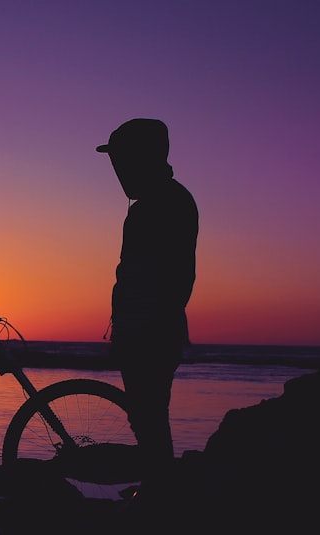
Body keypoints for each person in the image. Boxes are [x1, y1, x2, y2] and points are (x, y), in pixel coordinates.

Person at [97, 118, 198, 483]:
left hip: (150, 331)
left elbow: (164, 278)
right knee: (148, 416)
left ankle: (160, 495)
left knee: (149, 416)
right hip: (151, 328)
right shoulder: (165, 200)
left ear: (143, 159)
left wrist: (135, 327)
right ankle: (158, 490)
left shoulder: (161, 203)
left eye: (121, 161)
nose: (118, 171)